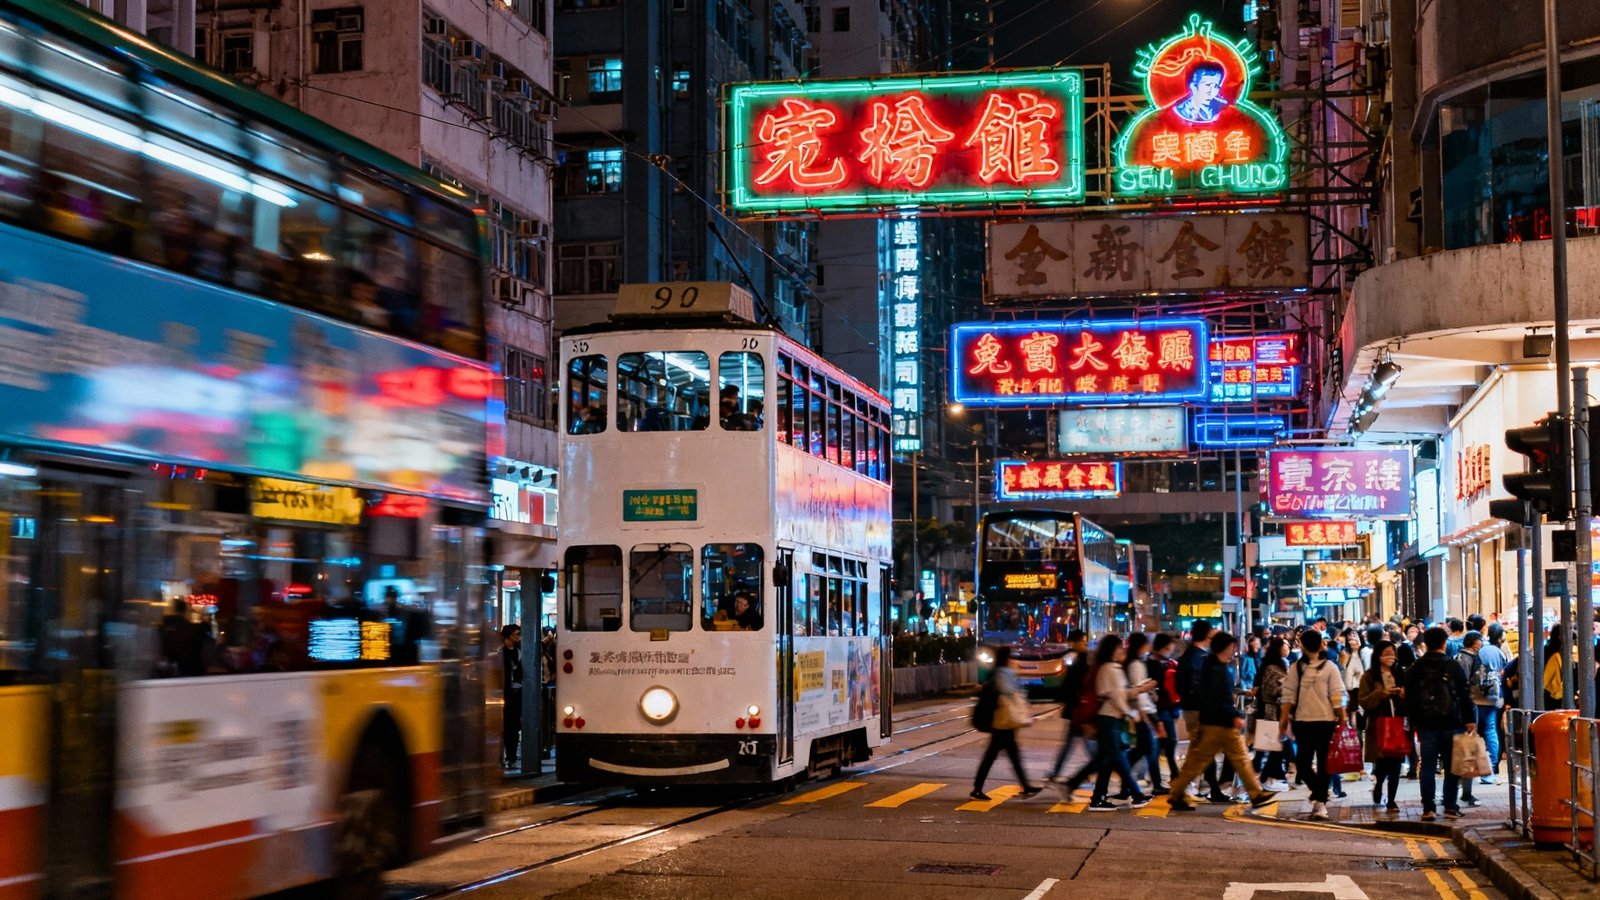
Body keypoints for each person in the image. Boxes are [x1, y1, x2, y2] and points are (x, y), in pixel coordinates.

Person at [1167, 632, 1278, 812]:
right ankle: (1255, 793)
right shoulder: (1215, 670)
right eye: (1232, 647)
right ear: (1225, 647)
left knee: (1228, 758)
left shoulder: (1214, 666)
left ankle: (1256, 793)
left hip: (1217, 722)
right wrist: (1233, 714)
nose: (1233, 650)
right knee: (1205, 760)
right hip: (1218, 724)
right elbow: (1218, 698)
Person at [1407, 625, 1477, 821]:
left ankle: (1428, 808)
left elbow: (1410, 698)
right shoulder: (1452, 666)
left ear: (1425, 644)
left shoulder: (1416, 667)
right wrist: (1470, 719)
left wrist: (1413, 721)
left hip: (1426, 725)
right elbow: (1464, 694)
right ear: (1444, 643)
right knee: (1451, 766)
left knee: (1428, 766)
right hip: (1451, 722)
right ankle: (1450, 806)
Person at [1280, 629, 1346, 820]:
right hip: (1305, 722)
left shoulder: (1329, 667)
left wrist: (1283, 719)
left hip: (1323, 722)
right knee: (1304, 765)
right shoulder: (1297, 668)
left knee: (1319, 764)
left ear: (1302, 645)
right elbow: (1290, 695)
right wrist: (1342, 718)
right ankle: (1320, 794)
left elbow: (1336, 696)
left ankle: (1320, 804)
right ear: (1321, 644)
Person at [1086, 634, 1156, 810]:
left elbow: (1122, 693)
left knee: (1108, 761)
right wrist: (1131, 712)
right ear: (1112, 650)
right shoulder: (1110, 669)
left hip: (1112, 719)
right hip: (1109, 719)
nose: (1122, 650)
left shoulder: (1112, 668)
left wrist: (1140, 689)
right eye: (1119, 648)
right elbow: (1118, 696)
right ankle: (1136, 794)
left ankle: (1097, 799)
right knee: (1119, 758)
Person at [971, 646, 1044, 801]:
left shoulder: (997, 672)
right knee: (997, 756)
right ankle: (978, 789)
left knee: (1009, 755)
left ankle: (1025, 786)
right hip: (1003, 721)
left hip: (1002, 721)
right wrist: (1016, 683)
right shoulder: (1003, 673)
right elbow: (1008, 690)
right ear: (1006, 658)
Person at [1177, 620, 1231, 801]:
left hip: (1195, 709)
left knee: (1203, 751)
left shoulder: (1191, 656)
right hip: (1199, 711)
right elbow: (1201, 688)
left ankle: (1209, 786)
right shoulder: (1198, 658)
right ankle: (1185, 789)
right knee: (1202, 752)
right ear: (1207, 635)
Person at [1044, 630, 1096, 791]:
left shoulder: (1083, 661)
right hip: (1080, 711)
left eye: (1085, 641)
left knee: (1079, 747)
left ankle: (1058, 774)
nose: (1084, 644)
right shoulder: (1080, 661)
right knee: (1089, 748)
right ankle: (1084, 773)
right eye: (1082, 642)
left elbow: (1071, 686)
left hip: (1080, 710)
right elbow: (1072, 687)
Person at [1359, 640, 1406, 814]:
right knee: (1383, 762)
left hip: (1398, 723)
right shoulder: (1369, 676)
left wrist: (1402, 695)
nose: (1391, 657)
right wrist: (1382, 693)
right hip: (1379, 724)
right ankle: (1379, 783)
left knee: (1396, 764)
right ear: (1378, 656)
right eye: (1387, 653)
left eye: (1393, 653)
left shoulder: (1400, 673)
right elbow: (1363, 700)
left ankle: (1392, 800)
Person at [1124, 632, 1164, 794]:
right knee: (1147, 749)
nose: (1149, 647)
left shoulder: (1139, 663)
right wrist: (1144, 714)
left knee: (1146, 749)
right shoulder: (1135, 665)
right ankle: (1154, 784)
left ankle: (1155, 784)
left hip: (1143, 711)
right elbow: (1137, 690)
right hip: (1141, 712)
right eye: (1146, 644)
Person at [1253, 636, 1290, 791]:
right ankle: (1265, 777)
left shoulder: (1279, 664)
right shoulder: (1271, 667)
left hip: (1276, 710)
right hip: (1271, 711)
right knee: (1274, 746)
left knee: (1274, 746)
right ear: (1278, 649)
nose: (1288, 648)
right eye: (1285, 646)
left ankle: (1268, 776)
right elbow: (1270, 690)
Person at [1148, 633, 1183, 788]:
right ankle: (1163, 779)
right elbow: (1156, 686)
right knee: (1164, 744)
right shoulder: (1153, 663)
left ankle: (1171, 775)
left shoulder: (1164, 662)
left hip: (1166, 708)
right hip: (1159, 709)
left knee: (1167, 743)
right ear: (1166, 646)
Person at [500, 623, 524, 770]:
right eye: (516, 634)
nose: (518, 637)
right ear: (508, 636)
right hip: (505, 694)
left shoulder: (519, 652)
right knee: (505, 727)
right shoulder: (500, 653)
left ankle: (511, 756)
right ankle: (505, 757)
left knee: (513, 728)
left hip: (517, 694)